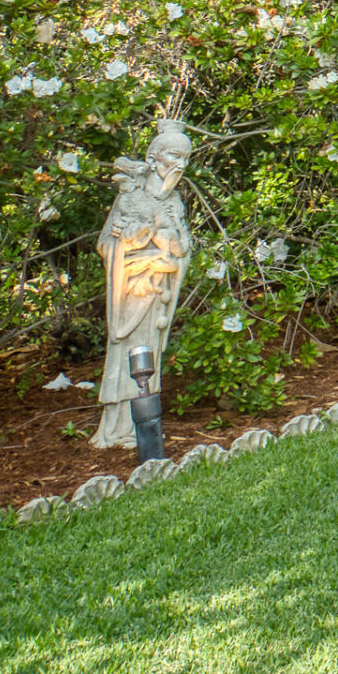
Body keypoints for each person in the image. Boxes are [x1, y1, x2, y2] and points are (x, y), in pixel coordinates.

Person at [94, 124, 194, 449]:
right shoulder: (130, 197)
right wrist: (127, 242)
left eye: (186, 158)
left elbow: (182, 246)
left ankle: (144, 426)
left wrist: (172, 249)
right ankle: (116, 428)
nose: (179, 165)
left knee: (149, 357)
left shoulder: (174, 202)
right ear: (153, 158)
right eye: (173, 156)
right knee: (127, 353)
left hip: (158, 291)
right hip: (133, 291)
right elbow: (105, 243)